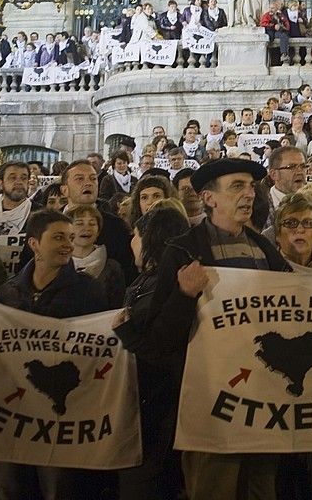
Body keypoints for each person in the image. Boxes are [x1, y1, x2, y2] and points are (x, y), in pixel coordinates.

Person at [139, 159, 290, 500]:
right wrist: (183, 295)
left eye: (251, 187)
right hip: (212, 403)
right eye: (237, 186)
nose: (249, 194)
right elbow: (158, 338)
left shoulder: (265, 251)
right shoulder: (182, 250)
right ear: (209, 198)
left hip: (263, 399)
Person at [0, 209, 108, 500]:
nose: (68, 244)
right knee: (11, 485)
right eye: (59, 237)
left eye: (70, 238)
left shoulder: (87, 290)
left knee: (57, 486)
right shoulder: (9, 291)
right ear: (34, 244)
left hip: (61, 410)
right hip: (15, 407)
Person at [114, 200, 189, 500]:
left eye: (135, 236)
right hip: (144, 402)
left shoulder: (167, 286)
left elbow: (160, 347)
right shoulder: (148, 280)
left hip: (157, 407)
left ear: (150, 239)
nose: (131, 243)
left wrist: (125, 330)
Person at [67, 203, 127, 307]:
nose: (87, 228)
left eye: (92, 224)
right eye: (80, 223)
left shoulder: (112, 268)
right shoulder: (58, 264)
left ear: (98, 232)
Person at [273, 193, 312, 273]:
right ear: (278, 234)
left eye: (308, 223)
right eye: (290, 223)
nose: (300, 229)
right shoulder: (267, 267)